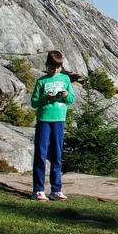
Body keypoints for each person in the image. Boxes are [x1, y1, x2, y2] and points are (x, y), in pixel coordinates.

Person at [30, 50, 76, 201]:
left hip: (59, 120)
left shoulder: (65, 79)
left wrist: (65, 96)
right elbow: (34, 102)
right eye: (52, 67)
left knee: (57, 155)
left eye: (58, 67)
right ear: (47, 65)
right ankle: (38, 189)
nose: (55, 70)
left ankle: (56, 189)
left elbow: (71, 99)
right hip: (44, 120)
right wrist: (46, 98)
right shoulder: (41, 81)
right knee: (41, 155)